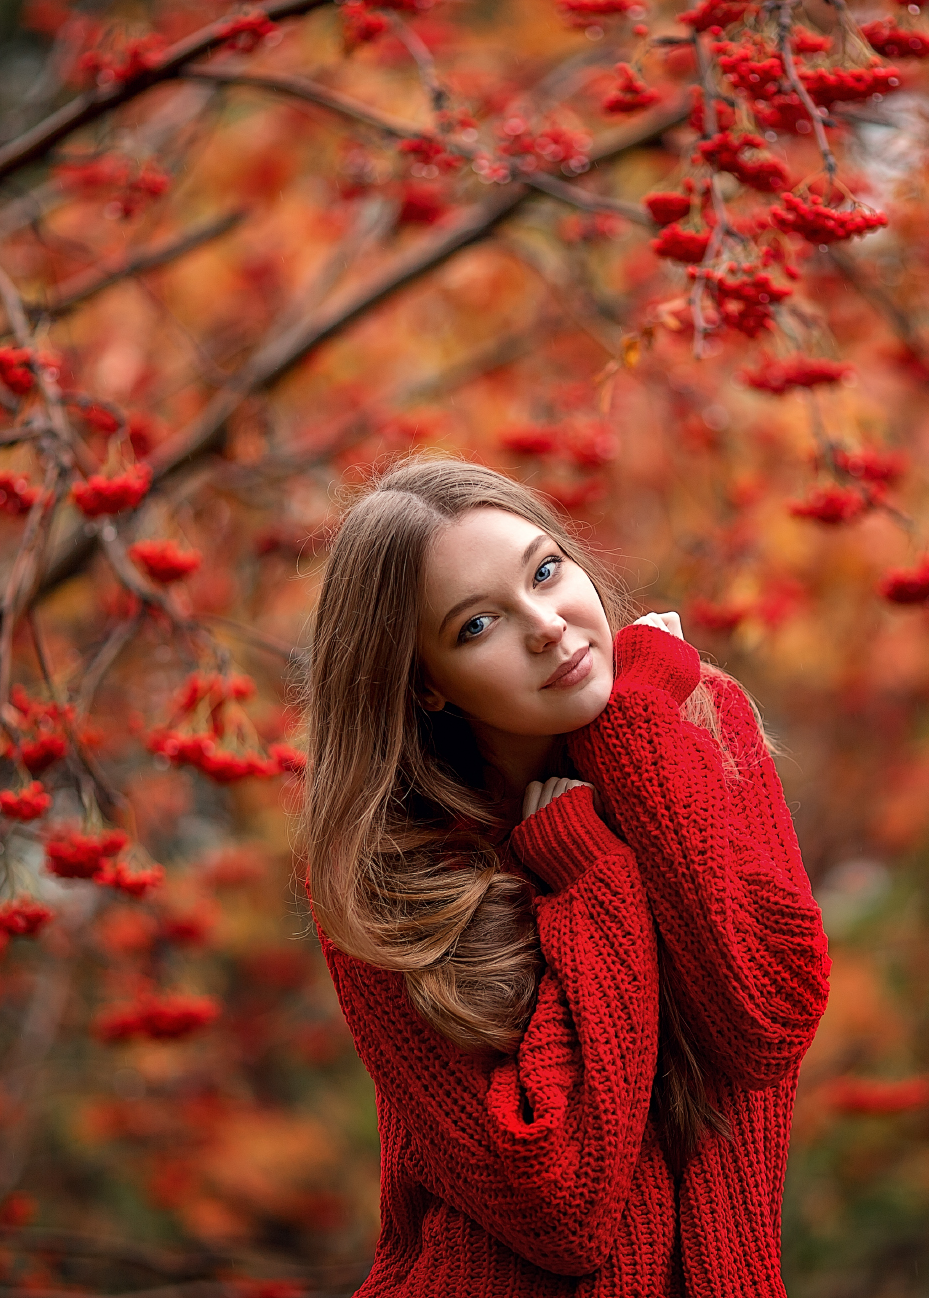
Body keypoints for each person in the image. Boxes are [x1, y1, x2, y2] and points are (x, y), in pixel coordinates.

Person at [291, 452, 831, 1296]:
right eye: (478, 624)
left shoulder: (695, 720)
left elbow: (766, 1019)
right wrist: (589, 883)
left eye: (546, 569)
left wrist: (634, 741)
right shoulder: (384, 872)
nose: (545, 622)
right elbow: (559, 1205)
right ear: (425, 685)